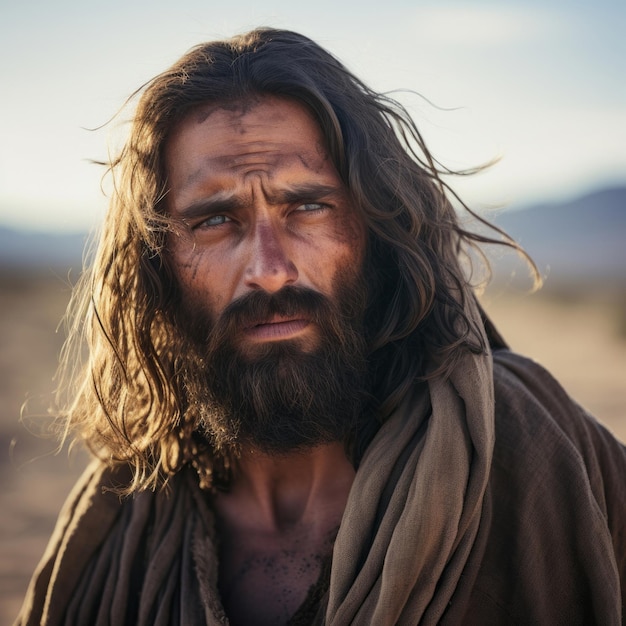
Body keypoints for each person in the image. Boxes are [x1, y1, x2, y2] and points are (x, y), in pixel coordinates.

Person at [16, 28, 626, 626]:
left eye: (307, 207)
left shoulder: (530, 450)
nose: (271, 271)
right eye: (215, 220)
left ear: (374, 228)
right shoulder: (118, 522)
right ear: (159, 264)